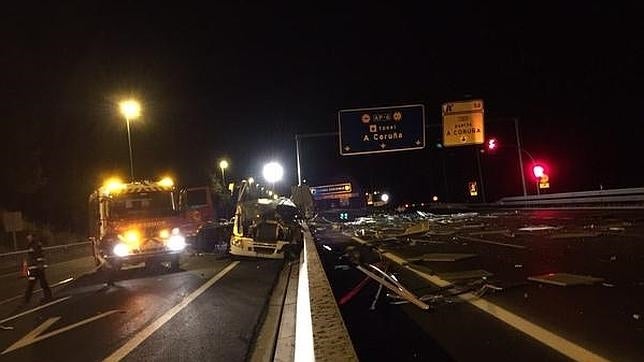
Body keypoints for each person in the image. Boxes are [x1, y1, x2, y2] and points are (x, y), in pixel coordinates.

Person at [24, 233, 53, 303]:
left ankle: (27, 299)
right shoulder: (32, 245)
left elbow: (39, 256)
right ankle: (26, 299)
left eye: (28, 236)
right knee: (35, 283)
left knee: (39, 283)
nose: (27, 238)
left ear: (31, 236)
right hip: (34, 268)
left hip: (37, 268)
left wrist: (40, 265)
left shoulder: (36, 245)